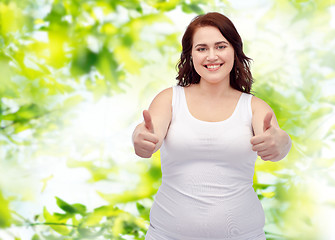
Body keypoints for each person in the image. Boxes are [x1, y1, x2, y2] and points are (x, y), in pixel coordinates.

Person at [132, 12, 291, 240]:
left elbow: (277, 142)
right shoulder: (169, 99)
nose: (212, 56)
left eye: (220, 46)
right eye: (202, 48)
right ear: (190, 55)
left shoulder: (255, 107)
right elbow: (147, 136)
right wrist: (139, 138)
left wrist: (282, 143)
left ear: (235, 50)